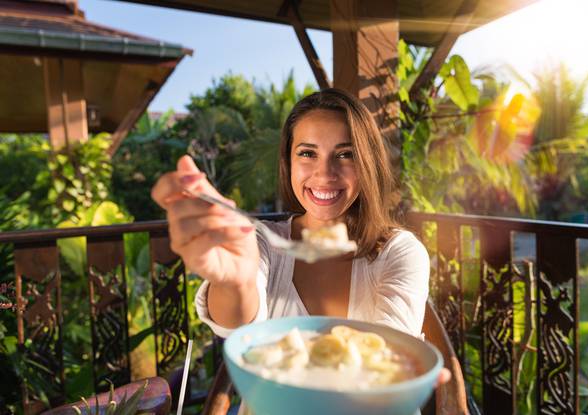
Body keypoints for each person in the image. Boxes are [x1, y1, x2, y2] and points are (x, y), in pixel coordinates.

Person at [152, 88, 450, 387]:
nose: (325, 174)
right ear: (288, 162)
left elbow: (383, 360)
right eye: (308, 153)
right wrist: (236, 282)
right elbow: (236, 323)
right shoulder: (261, 243)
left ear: (367, 163)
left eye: (345, 154)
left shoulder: (400, 252)